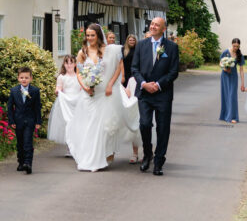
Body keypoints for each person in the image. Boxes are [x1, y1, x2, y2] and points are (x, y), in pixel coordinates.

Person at [66, 24, 133, 171]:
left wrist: (110, 84)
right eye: (88, 35)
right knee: (88, 127)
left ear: (98, 36)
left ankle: (103, 155)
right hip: (88, 94)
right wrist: (85, 87)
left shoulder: (108, 50)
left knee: (102, 127)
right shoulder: (82, 52)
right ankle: (88, 157)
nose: (89, 38)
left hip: (104, 94)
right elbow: (78, 72)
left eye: (92, 35)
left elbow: (118, 67)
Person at [130, 16, 179, 176]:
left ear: (164, 29)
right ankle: (147, 153)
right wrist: (144, 84)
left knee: (163, 128)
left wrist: (157, 85)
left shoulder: (171, 47)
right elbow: (134, 68)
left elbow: (173, 72)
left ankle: (159, 160)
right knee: (144, 124)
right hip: (144, 93)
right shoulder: (141, 45)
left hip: (163, 93)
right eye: (152, 24)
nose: (153, 27)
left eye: (157, 25)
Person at [7, 66, 42, 175]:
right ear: (18, 78)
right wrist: (11, 121)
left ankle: (28, 163)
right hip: (18, 121)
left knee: (28, 142)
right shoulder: (14, 91)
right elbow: (10, 107)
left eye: (26, 77)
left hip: (30, 121)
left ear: (31, 78)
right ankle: (21, 162)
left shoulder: (35, 91)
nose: (24, 79)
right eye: (22, 77)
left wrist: (38, 121)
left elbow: (37, 107)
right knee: (20, 143)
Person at [47, 55, 83, 151]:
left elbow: (82, 87)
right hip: (66, 102)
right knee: (68, 124)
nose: (69, 65)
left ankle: (77, 146)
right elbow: (58, 88)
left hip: (77, 102)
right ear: (64, 64)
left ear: (75, 64)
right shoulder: (62, 77)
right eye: (67, 63)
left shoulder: (79, 76)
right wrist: (58, 91)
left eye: (71, 63)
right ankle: (69, 147)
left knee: (78, 124)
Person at [219, 38, 246, 124]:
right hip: (225, 76)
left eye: (237, 46)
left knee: (232, 96)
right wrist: (225, 69)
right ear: (232, 44)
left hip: (234, 76)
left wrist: (242, 83)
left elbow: (241, 70)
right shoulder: (226, 52)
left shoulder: (240, 55)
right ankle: (225, 116)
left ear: (239, 46)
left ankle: (233, 117)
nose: (235, 48)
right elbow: (220, 63)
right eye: (234, 46)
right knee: (226, 95)